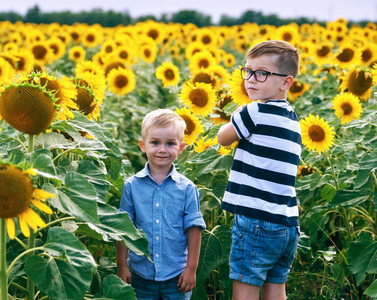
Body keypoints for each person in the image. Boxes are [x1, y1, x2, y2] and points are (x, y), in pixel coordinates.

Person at [217, 40, 302, 300]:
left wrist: (237, 112)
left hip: (256, 220)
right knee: (275, 291)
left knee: (245, 289)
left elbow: (223, 138)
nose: (251, 80)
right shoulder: (293, 118)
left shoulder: (254, 111)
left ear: (286, 82)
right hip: (287, 224)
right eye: (248, 71)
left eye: (262, 73)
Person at [116, 108, 206, 300]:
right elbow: (123, 227)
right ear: (142, 145)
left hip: (177, 276)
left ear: (180, 148)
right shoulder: (131, 186)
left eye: (170, 143)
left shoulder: (187, 189)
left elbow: (194, 229)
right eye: (155, 142)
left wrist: (191, 269)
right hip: (141, 275)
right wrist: (122, 266)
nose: (162, 149)